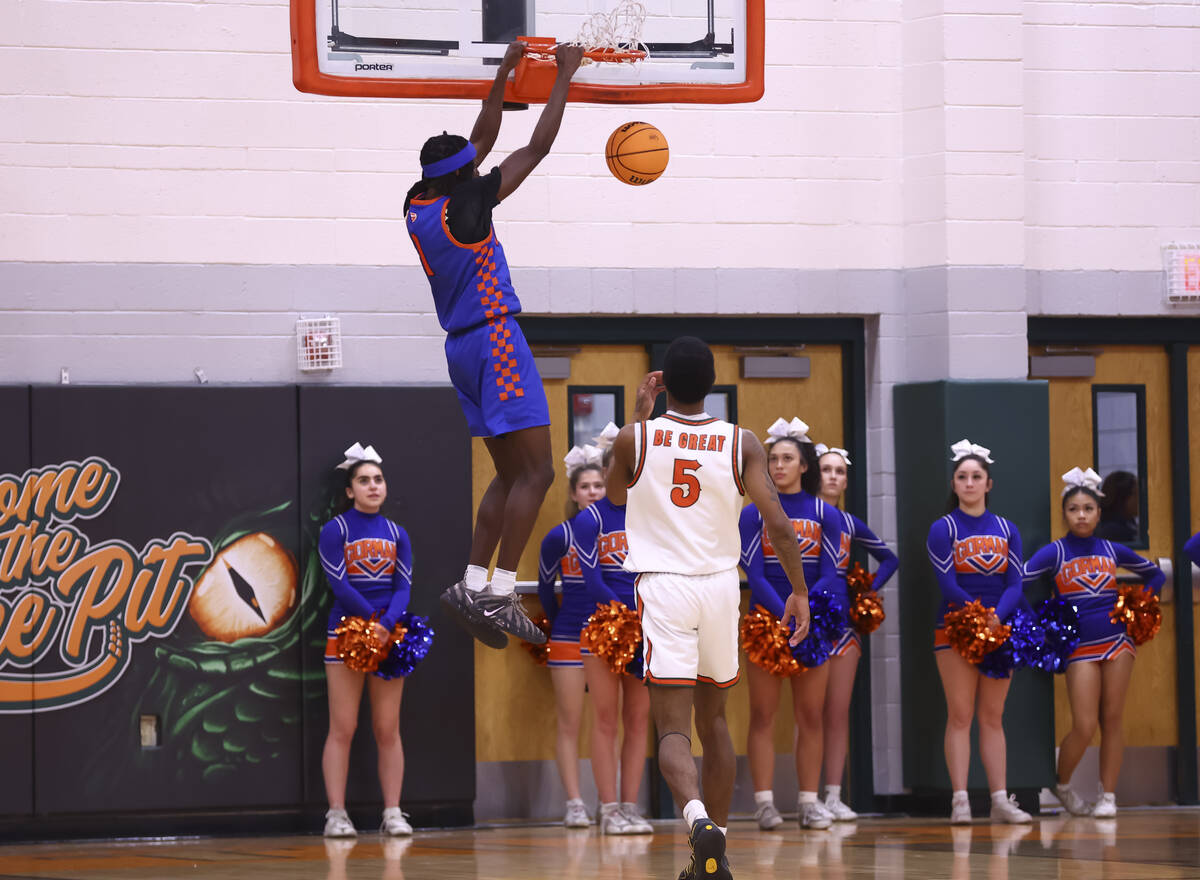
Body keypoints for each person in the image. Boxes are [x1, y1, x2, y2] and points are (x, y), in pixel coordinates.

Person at [606, 337, 812, 880]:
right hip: (722, 586)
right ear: (714, 383)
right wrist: (800, 591)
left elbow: (615, 494)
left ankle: (696, 821)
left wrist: (637, 416)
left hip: (665, 586)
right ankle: (712, 849)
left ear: (664, 383)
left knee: (672, 728)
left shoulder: (636, 438)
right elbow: (780, 525)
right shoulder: (740, 441)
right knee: (715, 719)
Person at [404, 40, 586, 649]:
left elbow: (479, 142)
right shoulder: (472, 204)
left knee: (508, 475)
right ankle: (501, 590)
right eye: (472, 165)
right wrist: (563, 74)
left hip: (459, 349)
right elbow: (534, 147)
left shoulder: (418, 203)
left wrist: (506, 72)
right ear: (464, 175)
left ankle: (470, 579)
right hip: (494, 339)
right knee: (540, 471)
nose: (480, 165)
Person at [1023, 467, 1164, 818]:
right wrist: (1041, 624)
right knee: (1085, 725)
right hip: (1079, 648)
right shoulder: (1053, 553)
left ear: (1099, 513)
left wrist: (1139, 605)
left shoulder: (1112, 549)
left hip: (1118, 641)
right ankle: (1064, 785)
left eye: (1088, 508)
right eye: (1074, 509)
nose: (1081, 515)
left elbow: (1156, 573)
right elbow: (1017, 583)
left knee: (1113, 719)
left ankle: (1108, 796)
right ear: (1064, 514)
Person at [738, 418, 842, 831]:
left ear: (804, 466)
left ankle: (809, 801)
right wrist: (786, 611)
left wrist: (808, 610)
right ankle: (764, 803)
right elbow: (754, 573)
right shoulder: (752, 514)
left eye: (787, 459)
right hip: (768, 620)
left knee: (811, 715)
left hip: (813, 621)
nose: (778, 466)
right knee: (762, 714)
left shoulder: (826, 514)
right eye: (772, 459)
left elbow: (832, 571)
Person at [926, 439, 1032, 825]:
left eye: (977, 477)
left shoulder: (1008, 529)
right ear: (953, 485)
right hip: (953, 628)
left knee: (993, 716)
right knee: (960, 714)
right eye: (962, 477)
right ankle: (960, 800)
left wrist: (996, 618)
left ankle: (1000, 800)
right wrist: (976, 615)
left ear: (989, 484)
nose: (969, 483)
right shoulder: (944, 528)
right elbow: (947, 583)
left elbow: (1015, 584)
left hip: (998, 628)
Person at [319, 444, 415, 838]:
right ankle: (336, 814)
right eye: (364, 480)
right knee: (343, 725)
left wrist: (388, 623)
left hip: (390, 635)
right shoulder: (335, 530)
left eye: (378, 479)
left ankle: (393, 811)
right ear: (349, 490)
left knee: (387, 727)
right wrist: (372, 620)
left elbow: (404, 585)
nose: (373, 486)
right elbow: (336, 582)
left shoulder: (397, 534)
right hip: (346, 632)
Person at [570, 449, 653, 835]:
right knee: (606, 719)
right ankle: (609, 808)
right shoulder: (591, 520)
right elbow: (593, 581)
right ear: (607, 471)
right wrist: (628, 615)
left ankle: (631, 806)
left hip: (648, 626)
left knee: (638, 719)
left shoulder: (653, 516)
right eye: (618, 467)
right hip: (605, 627)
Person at [814, 442, 899, 822]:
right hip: (807, 625)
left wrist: (865, 590)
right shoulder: (802, 516)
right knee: (808, 712)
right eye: (827, 469)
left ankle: (833, 794)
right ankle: (806, 796)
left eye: (840, 471)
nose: (833, 476)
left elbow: (889, 558)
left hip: (844, 627)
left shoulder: (850, 523)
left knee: (837, 712)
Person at [536, 445, 606, 828]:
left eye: (599, 485)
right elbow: (547, 589)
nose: (593, 492)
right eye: (585, 486)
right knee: (570, 721)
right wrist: (560, 623)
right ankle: (575, 802)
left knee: (606, 722)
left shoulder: (618, 531)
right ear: (574, 493)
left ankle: (609, 802)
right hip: (568, 637)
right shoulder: (558, 537)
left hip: (610, 639)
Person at [1096, 471, 1139, 542]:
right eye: (1135, 494)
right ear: (1122, 498)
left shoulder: (1129, 522)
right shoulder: (1113, 531)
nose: (1139, 500)